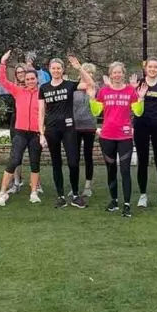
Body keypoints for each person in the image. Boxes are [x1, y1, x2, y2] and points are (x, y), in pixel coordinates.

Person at [90, 62, 147, 217]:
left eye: (119, 72)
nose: (117, 75)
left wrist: (140, 99)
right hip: (107, 136)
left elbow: (138, 112)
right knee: (111, 170)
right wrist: (91, 98)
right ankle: (114, 201)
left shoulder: (130, 91)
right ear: (110, 75)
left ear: (123, 74)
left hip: (125, 136)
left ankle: (127, 204)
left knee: (125, 170)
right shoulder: (103, 91)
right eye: (114, 72)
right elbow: (96, 112)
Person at [38, 55, 95, 208]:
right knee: (56, 163)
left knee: (73, 162)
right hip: (51, 129)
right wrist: (41, 133)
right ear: (50, 70)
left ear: (63, 70)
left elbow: (90, 83)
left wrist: (79, 68)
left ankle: (75, 195)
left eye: (58, 68)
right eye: (53, 68)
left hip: (69, 129)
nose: (56, 70)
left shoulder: (70, 85)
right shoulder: (44, 88)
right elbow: (41, 112)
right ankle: (60, 195)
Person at [0, 50, 44, 205]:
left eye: (32, 78)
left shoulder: (42, 94)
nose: (30, 81)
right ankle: (2, 192)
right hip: (20, 132)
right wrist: (3, 63)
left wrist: (44, 132)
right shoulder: (18, 91)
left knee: (35, 162)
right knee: (14, 160)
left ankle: (34, 192)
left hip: (36, 133)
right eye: (28, 79)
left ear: (37, 80)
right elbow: (3, 81)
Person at [133, 57, 157, 208]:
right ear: (145, 68)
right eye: (150, 67)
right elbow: (133, 105)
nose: (153, 69)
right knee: (142, 161)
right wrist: (134, 91)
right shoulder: (139, 83)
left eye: (156, 67)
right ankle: (143, 195)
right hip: (141, 125)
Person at [73, 63, 98, 197]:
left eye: (91, 73)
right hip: (75, 127)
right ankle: (75, 186)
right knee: (74, 157)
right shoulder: (74, 88)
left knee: (88, 156)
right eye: (87, 72)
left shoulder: (94, 88)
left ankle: (88, 185)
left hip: (89, 126)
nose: (89, 75)